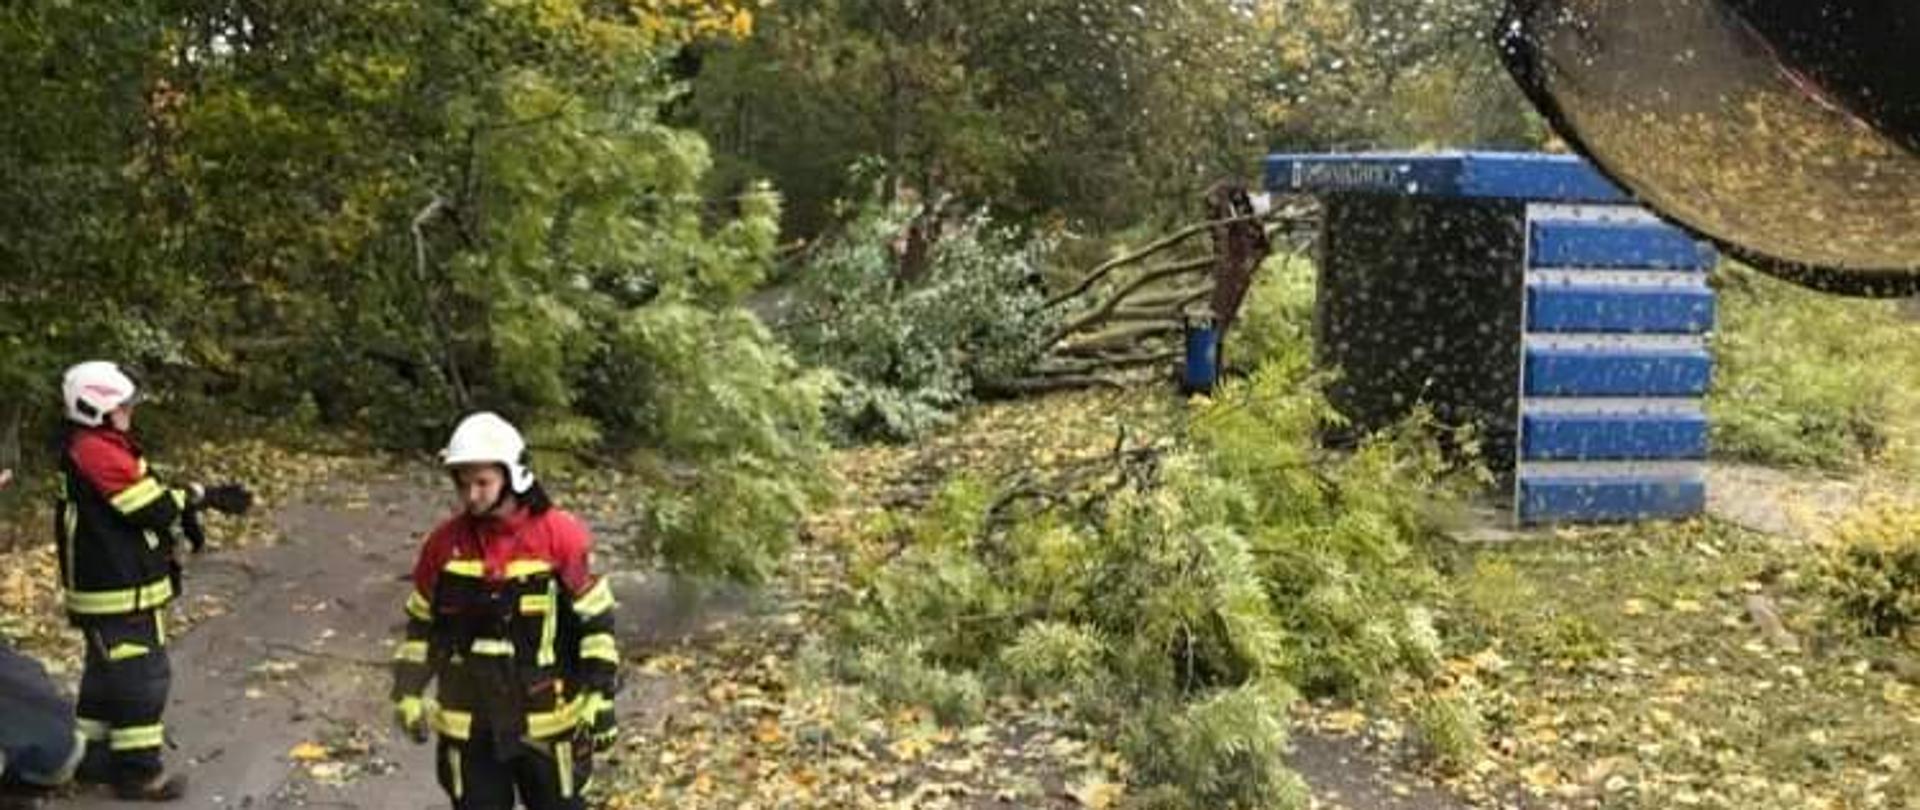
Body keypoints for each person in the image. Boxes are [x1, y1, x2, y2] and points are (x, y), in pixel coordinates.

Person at [392, 412, 620, 809]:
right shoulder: (444, 546)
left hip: (547, 724)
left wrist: (601, 695)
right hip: (469, 724)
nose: (471, 495)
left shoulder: (559, 536)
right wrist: (408, 691)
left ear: (514, 475)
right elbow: (422, 626)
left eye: (482, 482)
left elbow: (595, 621)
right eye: (463, 484)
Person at [53, 361, 252, 801]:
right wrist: (197, 503)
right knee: (142, 678)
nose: (130, 411)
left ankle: (91, 760)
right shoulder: (97, 451)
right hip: (118, 593)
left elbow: (153, 493)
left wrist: (197, 499)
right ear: (96, 407)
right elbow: (152, 506)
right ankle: (139, 773)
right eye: (123, 405)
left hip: (114, 590)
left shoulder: (99, 445)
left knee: (107, 679)